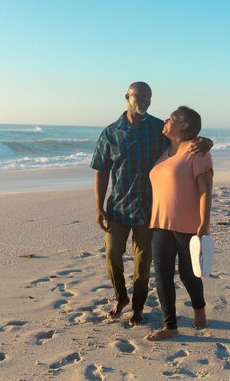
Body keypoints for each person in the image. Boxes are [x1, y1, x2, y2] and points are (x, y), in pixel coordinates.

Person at [91, 82, 212, 325]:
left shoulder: (158, 128)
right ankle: (120, 298)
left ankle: (137, 307)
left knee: (143, 262)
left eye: (148, 95)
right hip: (118, 207)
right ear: (127, 97)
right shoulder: (111, 132)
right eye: (139, 95)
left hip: (149, 210)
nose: (144, 99)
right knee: (112, 254)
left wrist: (206, 141)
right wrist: (98, 205)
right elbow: (102, 171)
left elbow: (185, 140)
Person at [145, 106, 213, 341]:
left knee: (189, 275)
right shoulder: (164, 151)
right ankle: (170, 326)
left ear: (184, 125)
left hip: (188, 226)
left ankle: (199, 310)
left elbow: (206, 190)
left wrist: (204, 224)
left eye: (172, 118)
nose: (166, 120)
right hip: (160, 223)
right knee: (162, 276)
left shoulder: (197, 152)